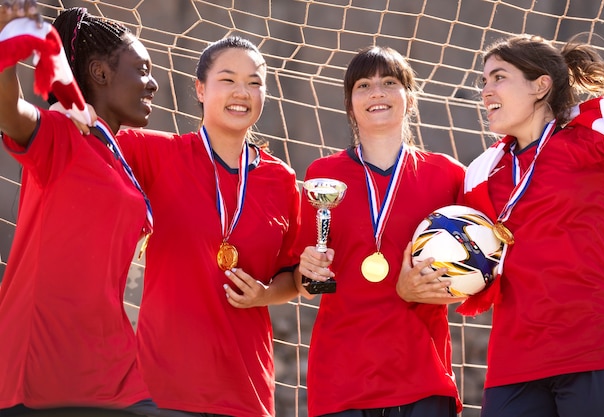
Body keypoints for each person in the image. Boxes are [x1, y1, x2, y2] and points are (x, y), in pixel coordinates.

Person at [114, 36, 301, 417]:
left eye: (254, 82)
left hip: (246, 390)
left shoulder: (281, 178)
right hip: (163, 389)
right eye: (228, 79)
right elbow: (89, 132)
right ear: (200, 89)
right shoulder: (156, 153)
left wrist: (265, 294)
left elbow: (296, 276)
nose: (242, 92)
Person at [0, 3, 159, 417]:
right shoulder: (61, 135)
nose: (153, 84)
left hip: (111, 364)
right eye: (141, 70)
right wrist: (5, 50)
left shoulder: (113, 153)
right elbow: (11, 114)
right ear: (101, 74)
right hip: (42, 372)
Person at [459, 34, 604, 417]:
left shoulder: (594, 139)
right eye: (483, 81)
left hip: (596, 347)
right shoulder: (481, 175)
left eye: (498, 77)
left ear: (540, 85)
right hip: (513, 360)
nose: (486, 91)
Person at [294, 45, 465, 417]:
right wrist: (308, 271)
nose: (377, 93)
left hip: (422, 376)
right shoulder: (324, 175)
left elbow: (473, 273)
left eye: (389, 82)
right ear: (349, 103)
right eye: (363, 85)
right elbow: (306, 284)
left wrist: (425, 289)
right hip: (342, 379)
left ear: (410, 95)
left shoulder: (448, 175)